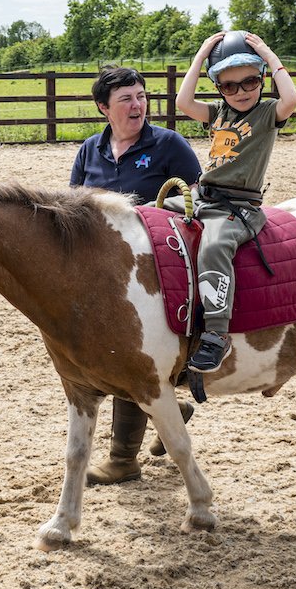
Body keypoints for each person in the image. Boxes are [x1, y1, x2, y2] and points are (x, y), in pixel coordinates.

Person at [70, 65, 201, 486]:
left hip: (154, 268)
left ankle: (123, 459)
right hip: (101, 271)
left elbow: (199, 200)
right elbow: (75, 208)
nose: (137, 104)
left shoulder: (168, 145)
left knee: (127, 353)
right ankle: (166, 408)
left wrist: (163, 215)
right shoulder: (90, 150)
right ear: (103, 108)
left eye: (141, 96)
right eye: (126, 98)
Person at [175, 30, 296, 373]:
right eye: (230, 86)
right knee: (150, 215)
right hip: (203, 195)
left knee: (214, 246)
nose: (241, 92)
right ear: (218, 88)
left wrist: (269, 55)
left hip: (237, 206)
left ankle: (216, 334)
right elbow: (183, 103)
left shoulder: (267, 114)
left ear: (261, 79)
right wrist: (200, 57)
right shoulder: (217, 113)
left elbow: (292, 100)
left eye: (249, 82)